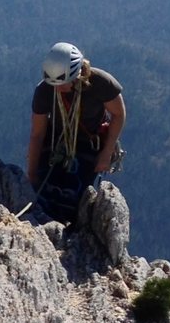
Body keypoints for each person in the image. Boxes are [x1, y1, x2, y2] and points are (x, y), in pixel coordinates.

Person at [26, 41, 125, 225]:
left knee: (71, 199)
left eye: (63, 83)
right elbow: (37, 134)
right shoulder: (45, 90)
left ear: (76, 73)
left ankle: (67, 236)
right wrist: (31, 174)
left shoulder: (100, 83)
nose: (58, 88)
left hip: (89, 144)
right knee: (44, 196)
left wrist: (106, 152)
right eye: (54, 83)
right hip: (56, 141)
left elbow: (118, 114)